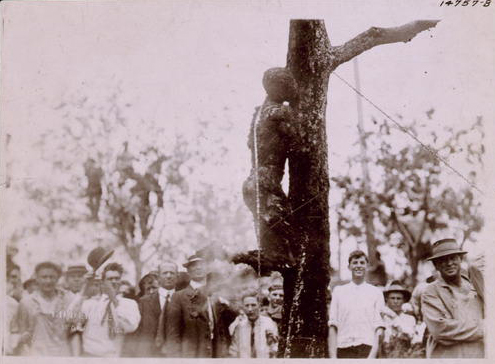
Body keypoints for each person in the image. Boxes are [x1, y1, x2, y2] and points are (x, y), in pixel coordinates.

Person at [421, 238, 484, 358]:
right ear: (436, 265)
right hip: (449, 356)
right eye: (443, 260)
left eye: (453, 258)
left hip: (478, 355)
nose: (449, 263)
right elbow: (441, 330)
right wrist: (484, 328)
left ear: (460, 259)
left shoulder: (474, 286)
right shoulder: (431, 292)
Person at [166, 255, 236, 357]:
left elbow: (228, 321)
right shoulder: (178, 297)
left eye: (202, 265)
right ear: (188, 271)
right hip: (192, 355)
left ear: (207, 269)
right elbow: (173, 334)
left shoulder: (217, 295)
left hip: (216, 353)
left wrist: (226, 303)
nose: (198, 268)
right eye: (194, 265)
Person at [75, 262, 140, 357]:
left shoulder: (129, 304)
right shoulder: (91, 303)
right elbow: (71, 320)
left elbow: (130, 327)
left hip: (114, 358)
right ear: (102, 282)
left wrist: (114, 299)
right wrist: (84, 289)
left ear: (120, 281)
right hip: (90, 357)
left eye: (117, 278)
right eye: (110, 279)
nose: (114, 281)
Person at [328, 250, 384, 358]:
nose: (358, 266)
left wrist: (371, 358)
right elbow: (333, 326)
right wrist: (333, 358)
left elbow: (379, 329)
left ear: (367, 266)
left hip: (367, 348)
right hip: (343, 348)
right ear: (349, 267)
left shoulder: (376, 292)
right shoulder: (339, 291)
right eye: (355, 262)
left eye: (362, 263)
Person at [17, 262, 75, 356]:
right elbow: (21, 333)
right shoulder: (26, 302)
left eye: (52, 277)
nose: (48, 281)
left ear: (57, 279)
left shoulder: (68, 300)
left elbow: (74, 330)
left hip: (63, 355)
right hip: (37, 355)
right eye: (44, 277)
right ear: (37, 279)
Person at [131, 262, 178, 357]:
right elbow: (136, 333)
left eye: (172, 273)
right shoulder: (143, 302)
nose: (168, 276)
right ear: (159, 276)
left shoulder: (184, 300)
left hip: (176, 356)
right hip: (149, 356)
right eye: (165, 273)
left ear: (177, 276)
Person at [229, 292, 278, 358]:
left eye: (253, 305)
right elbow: (233, 351)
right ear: (243, 307)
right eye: (247, 305)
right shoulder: (239, 327)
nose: (250, 309)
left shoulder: (269, 323)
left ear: (259, 306)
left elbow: (275, 349)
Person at [380, 281, 421, 358]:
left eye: (399, 298)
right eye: (392, 298)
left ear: (404, 300)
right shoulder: (382, 318)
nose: (395, 301)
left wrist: (394, 317)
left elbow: (410, 336)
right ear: (386, 300)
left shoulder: (410, 319)